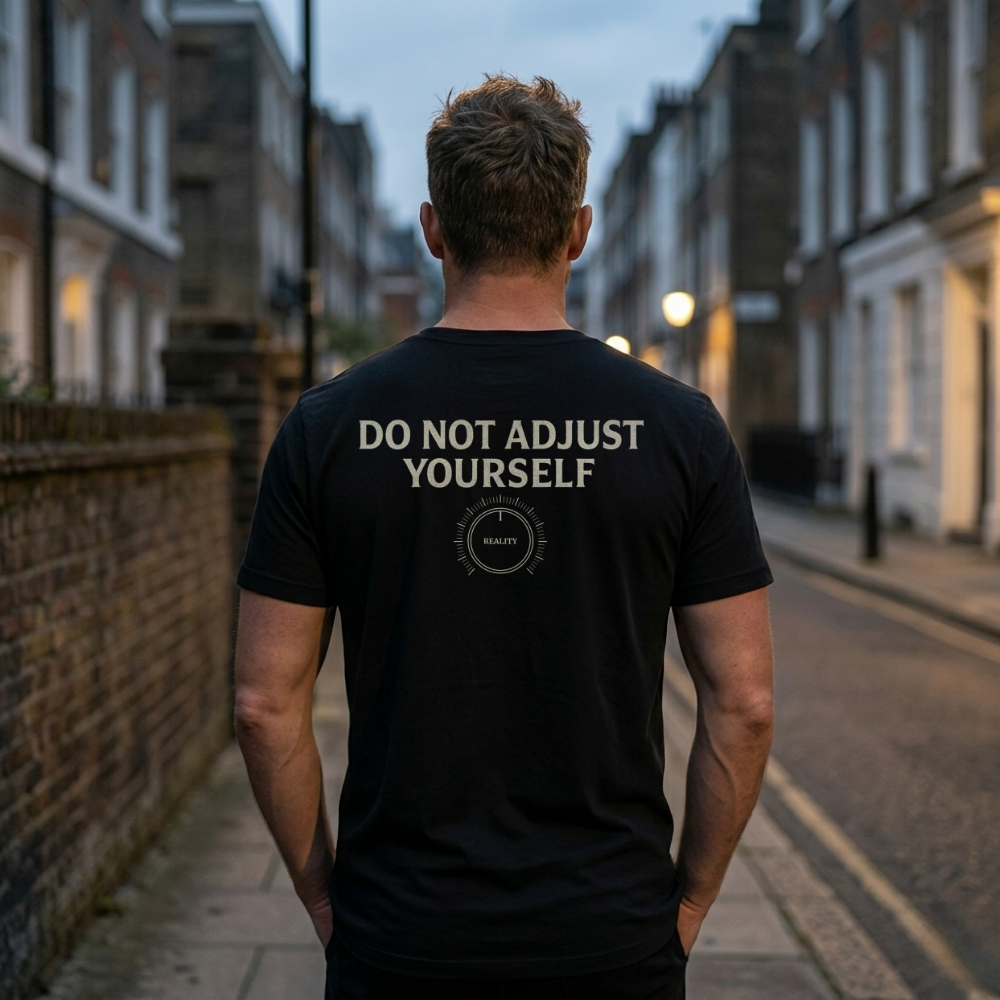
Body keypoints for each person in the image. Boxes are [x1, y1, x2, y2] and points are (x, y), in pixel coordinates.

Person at [233, 75, 774, 1000]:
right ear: (579, 231)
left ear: (434, 229)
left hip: (399, 936)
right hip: (609, 937)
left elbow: (261, 704)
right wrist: (684, 912)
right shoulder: (681, 430)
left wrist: (329, 907)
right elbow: (746, 703)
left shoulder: (328, 428)